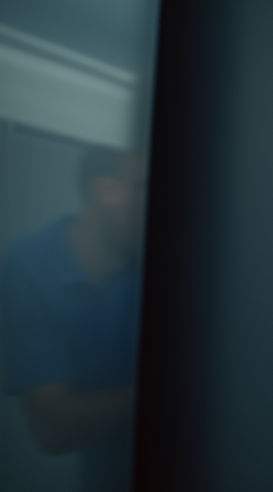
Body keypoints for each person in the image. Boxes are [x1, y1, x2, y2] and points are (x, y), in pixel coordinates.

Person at [0, 145, 145, 492]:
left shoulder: (153, 264)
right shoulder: (29, 266)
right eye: (143, 187)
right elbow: (53, 428)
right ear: (106, 191)